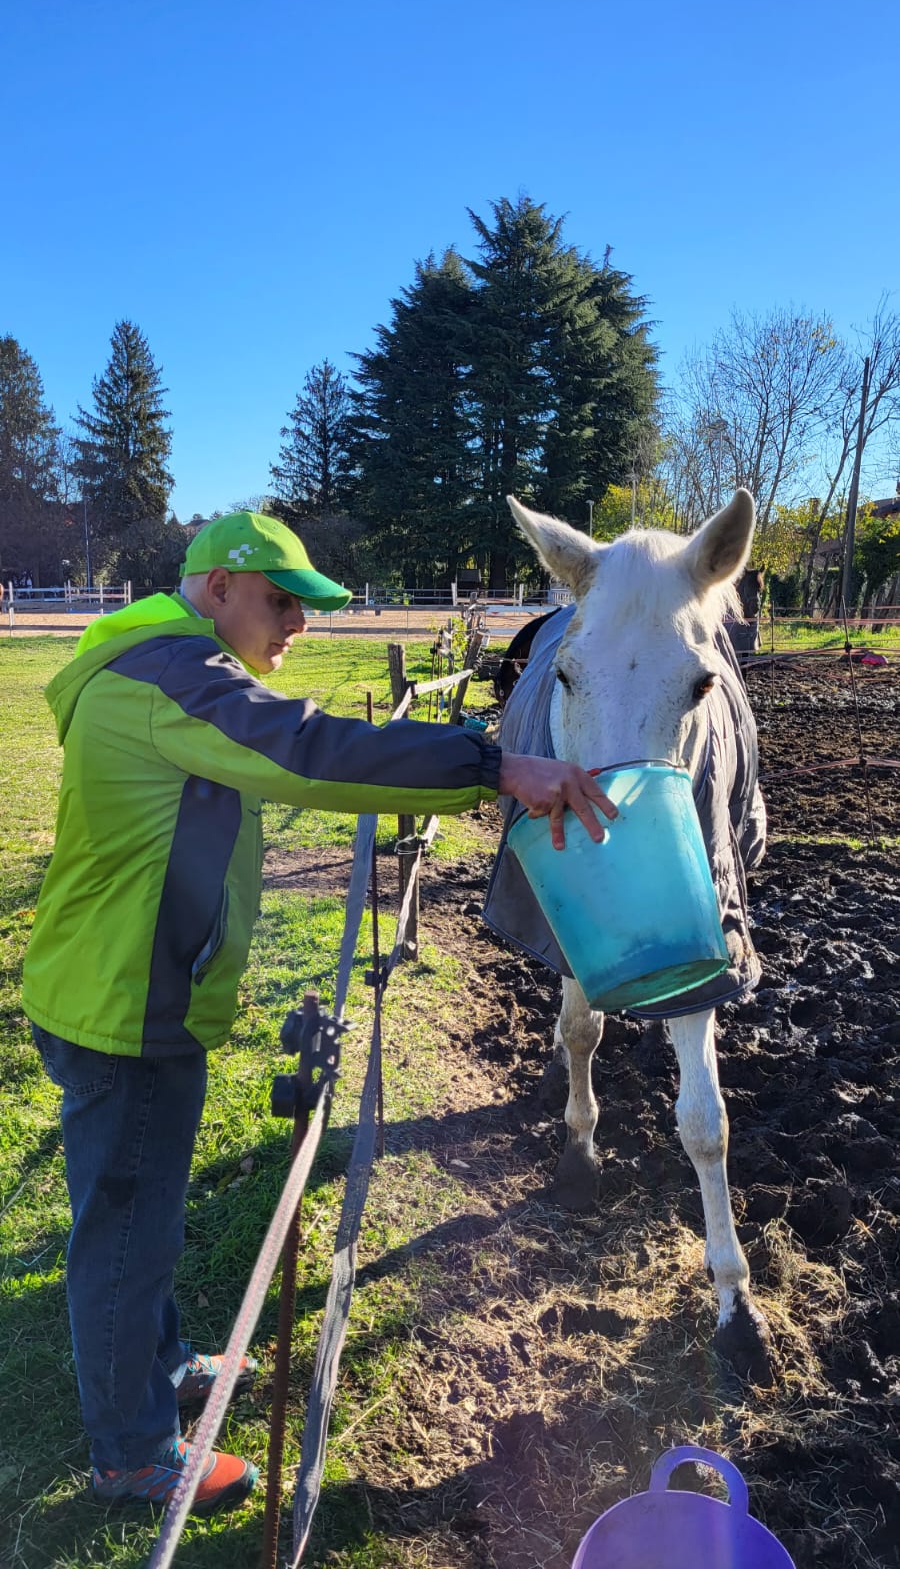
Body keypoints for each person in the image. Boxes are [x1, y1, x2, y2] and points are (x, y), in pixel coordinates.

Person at [23, 512, 615, 1518]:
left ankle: (159, 1366)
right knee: (123, 1233)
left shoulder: (167, 666)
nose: (298, 620)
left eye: (305, 603)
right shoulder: (168, 672)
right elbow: (299, 753)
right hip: (123, 1004)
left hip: (134, 990)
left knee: (145, 1217)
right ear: (215, 587)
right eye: (279, 597)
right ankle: (131, 1454)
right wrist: (488, 763)